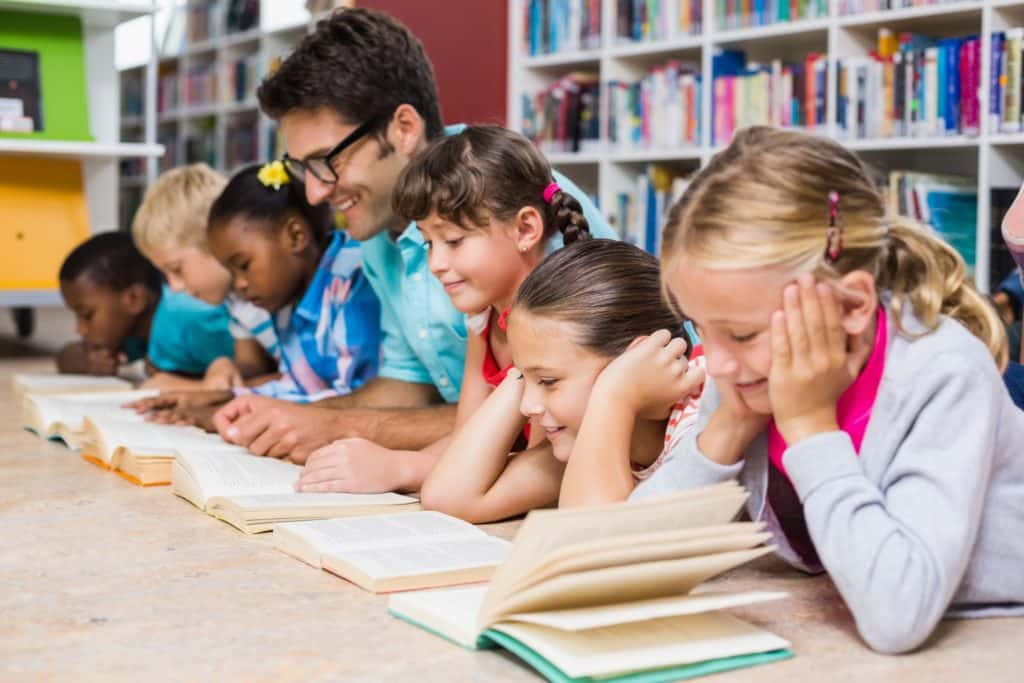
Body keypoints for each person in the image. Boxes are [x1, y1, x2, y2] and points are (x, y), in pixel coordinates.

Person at [635, 126, 1024, 654]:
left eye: (743, 333)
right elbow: (632, 553)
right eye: (702, 328)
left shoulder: (942, 371)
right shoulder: (744, 371)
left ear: (853, 306)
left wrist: (808, 426)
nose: (716, 360)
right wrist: (726, 427)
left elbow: (897, 617)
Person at [212, 7, 616, 463]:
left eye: (327, 161)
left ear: (404, 128)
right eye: (303, 168)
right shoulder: (376, 234)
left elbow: (548, 411)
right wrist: (284, 415)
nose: (314, 190)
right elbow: (410, 388)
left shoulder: (510, 204)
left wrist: (331, 426)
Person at [410, 238, 703, 522]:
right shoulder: (586, 438)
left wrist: (615, 396)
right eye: (526, 380)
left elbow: (591, 543)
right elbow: (447, 498)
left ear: (635, 361)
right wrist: (523, 371)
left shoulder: (699, 422)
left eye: (549, 381)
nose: (527, 407)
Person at [57, 232, 233, 384]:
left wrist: (185, 381)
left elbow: (249, 372)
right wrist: (89, 361)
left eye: (87, 315)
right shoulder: (135, 331)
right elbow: (67, 354)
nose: (80, 330)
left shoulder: (183, 318)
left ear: (134, 299)